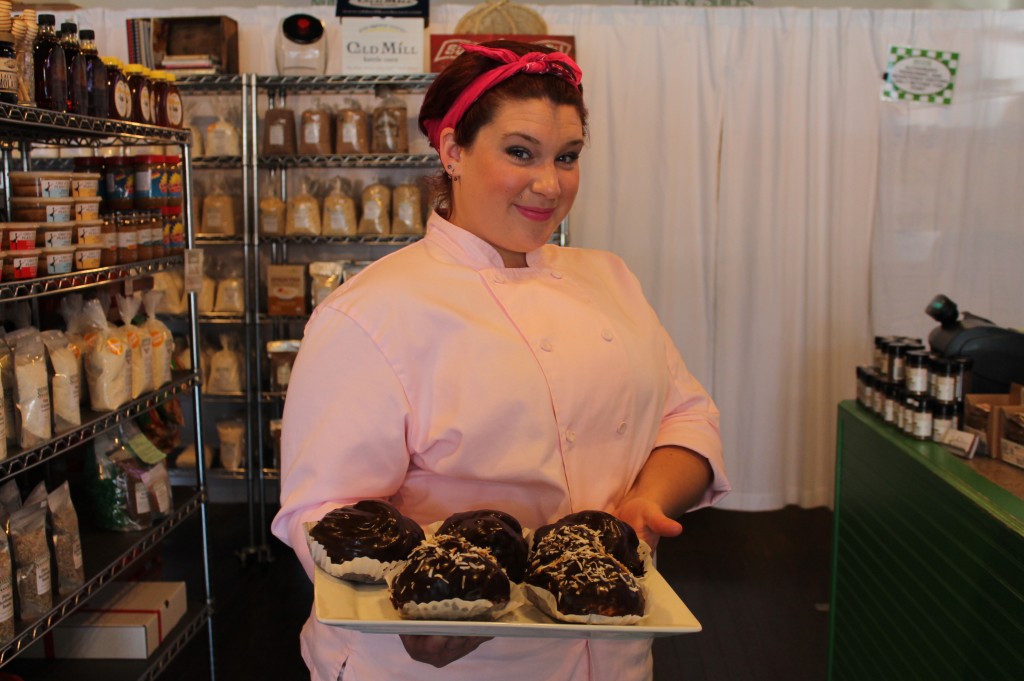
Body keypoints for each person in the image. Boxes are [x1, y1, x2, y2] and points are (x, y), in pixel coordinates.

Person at [271, 40, 730, 681]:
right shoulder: (371, 313)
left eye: (567, 157)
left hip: (616, 640)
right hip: (446, 662)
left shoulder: (611, 279)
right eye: (521, 153)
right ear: (453, 150)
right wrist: (418, 614)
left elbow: (686, 417)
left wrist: (645, 504)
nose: (550, 184)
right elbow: (321, 512)